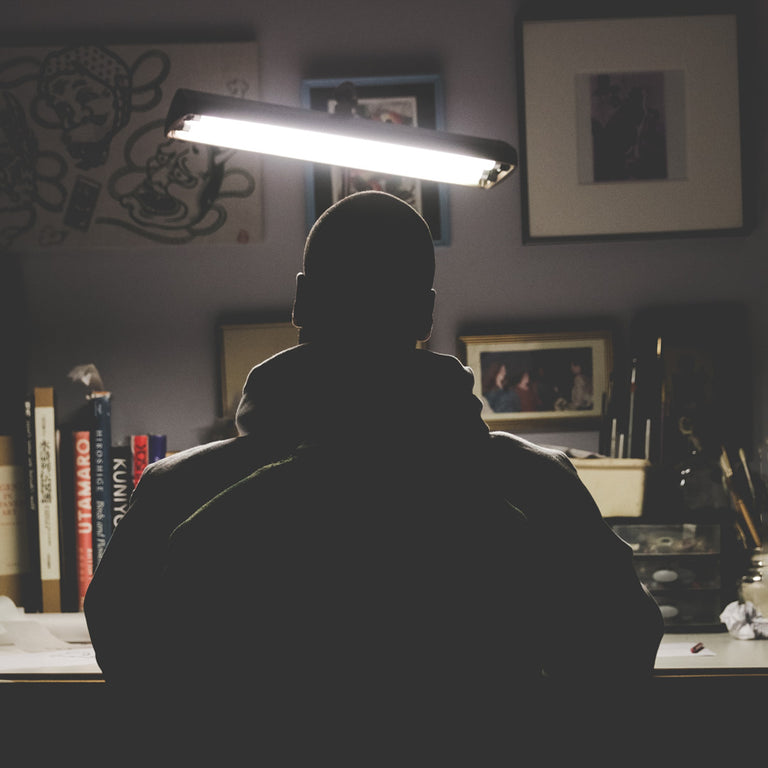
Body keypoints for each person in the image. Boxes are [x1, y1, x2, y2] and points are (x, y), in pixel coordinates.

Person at [84, 191, 663, 763]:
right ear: (425, 312)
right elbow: (621, 654)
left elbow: (141, 688)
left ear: (301, 301)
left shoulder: (176, 492)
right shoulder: (540, 486)